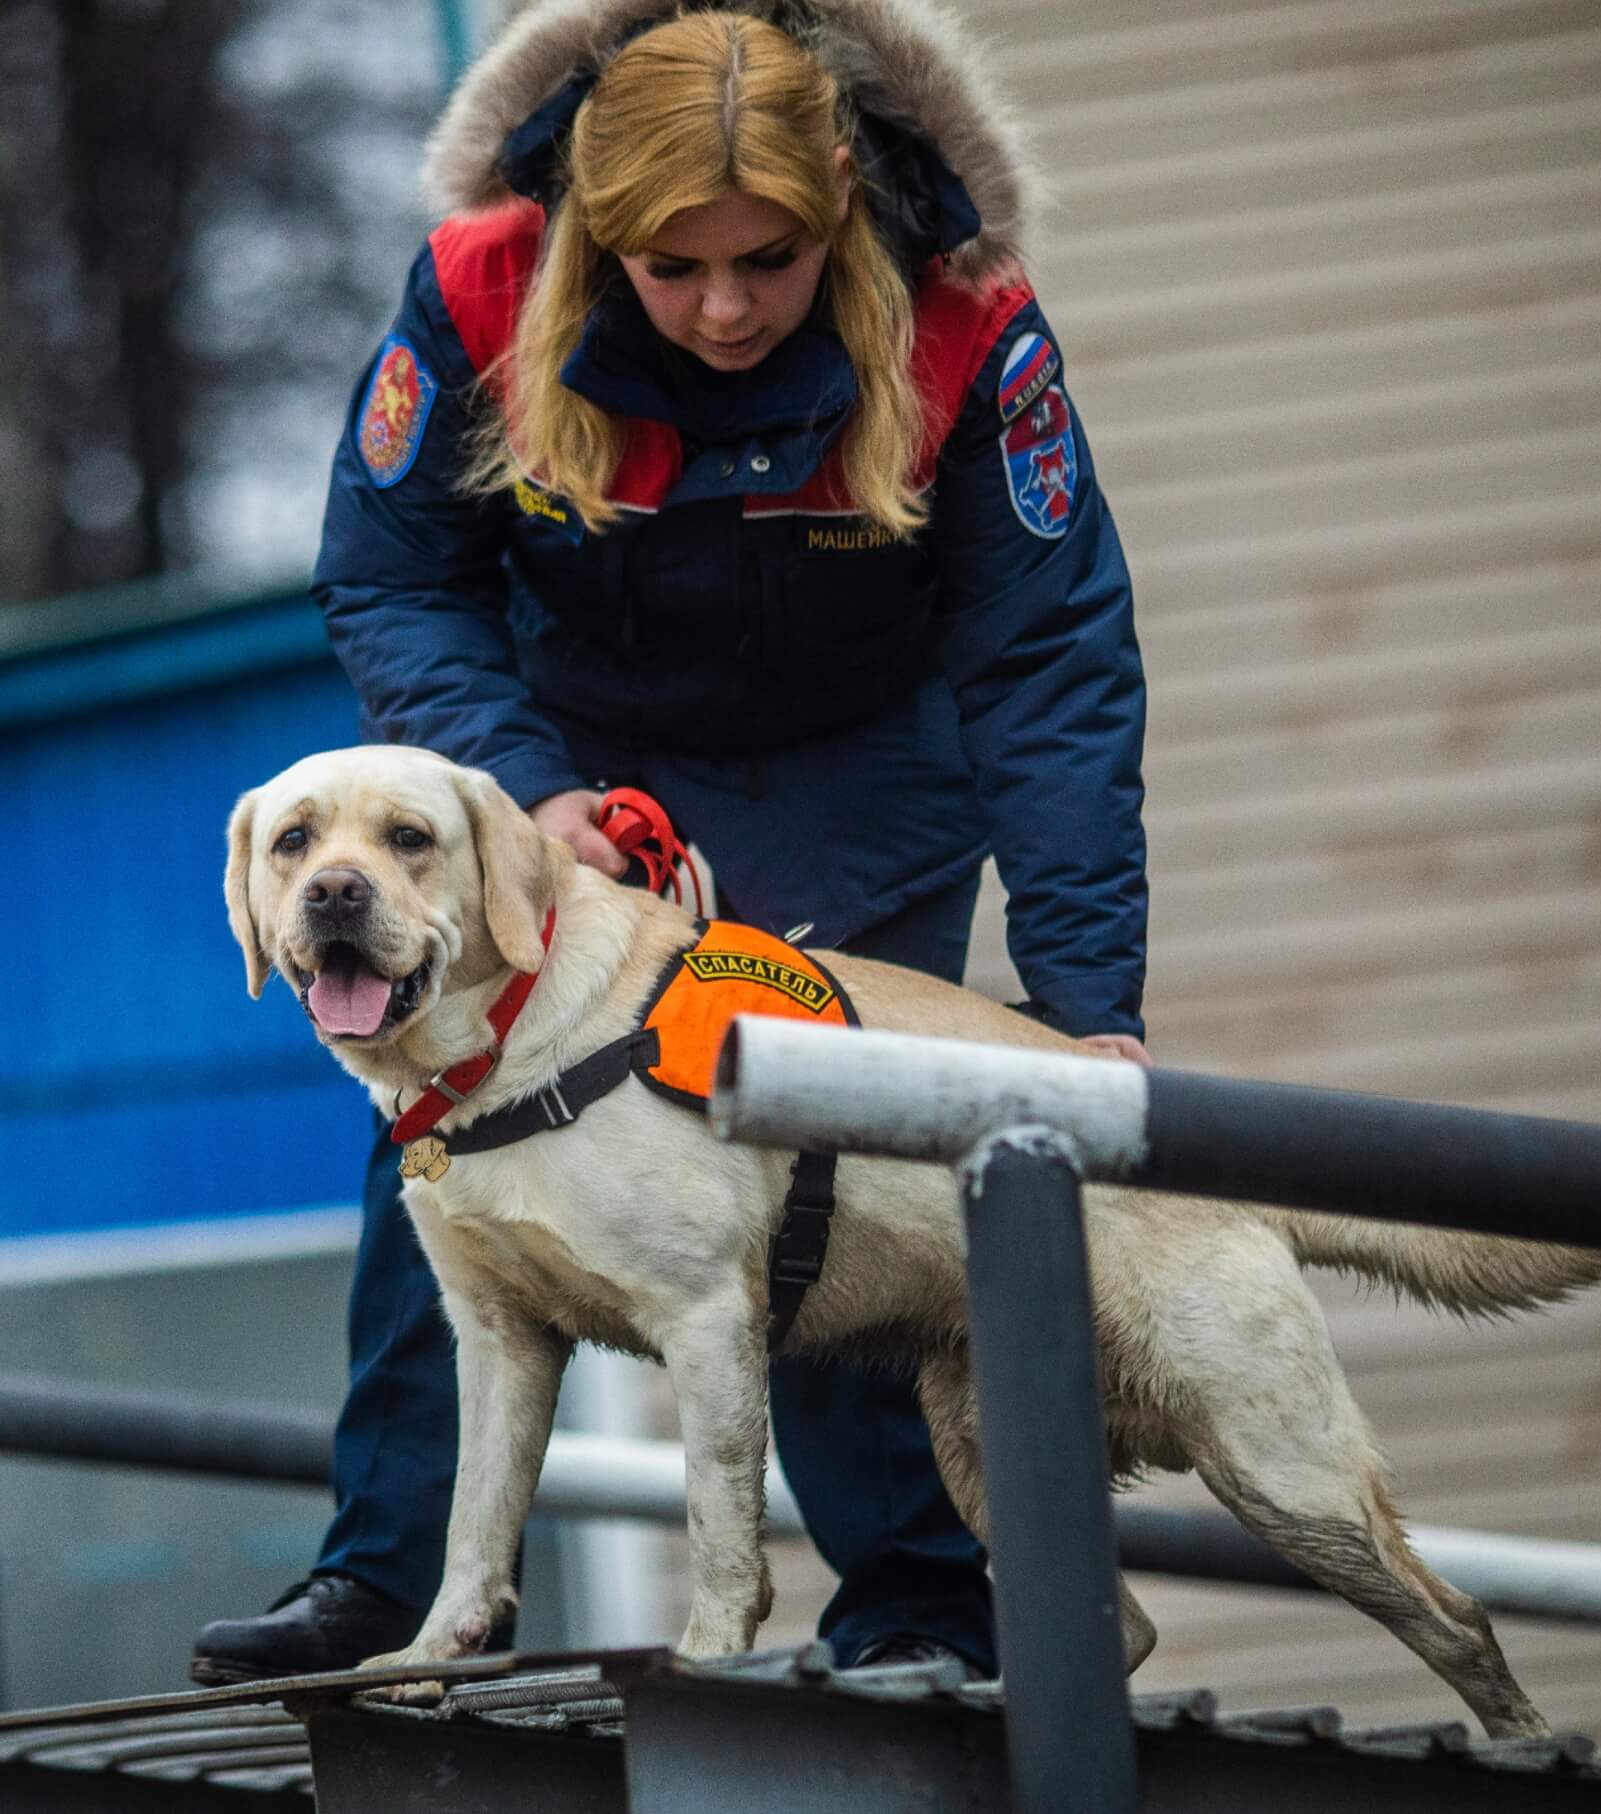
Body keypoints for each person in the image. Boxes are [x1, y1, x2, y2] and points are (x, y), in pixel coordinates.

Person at [193, 0, 1148, 1685]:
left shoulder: (969, 329)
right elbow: (393, 570)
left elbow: (1051, 671)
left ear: (845, 193)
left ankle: (919, 1608)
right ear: (586, 222)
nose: (722, 307)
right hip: (568, 769)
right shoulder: (481, 286)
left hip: (861, 785)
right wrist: (522, 791)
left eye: (769, 261)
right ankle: (382, 1581)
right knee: (440, 1109)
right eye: (672, 266)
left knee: (828, 1142)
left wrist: (1089, 1009)